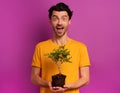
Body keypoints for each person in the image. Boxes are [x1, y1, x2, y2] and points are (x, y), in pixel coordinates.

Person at [31, 2, 90, 93]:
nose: (59, 22)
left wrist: (68, 86)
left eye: (64, 19)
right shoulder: (40, 47)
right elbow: (34, 77)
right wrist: (48, 84)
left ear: (69, 21)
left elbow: (86, 78)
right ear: (50, 21)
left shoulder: (80, 47)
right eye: (55, 18)